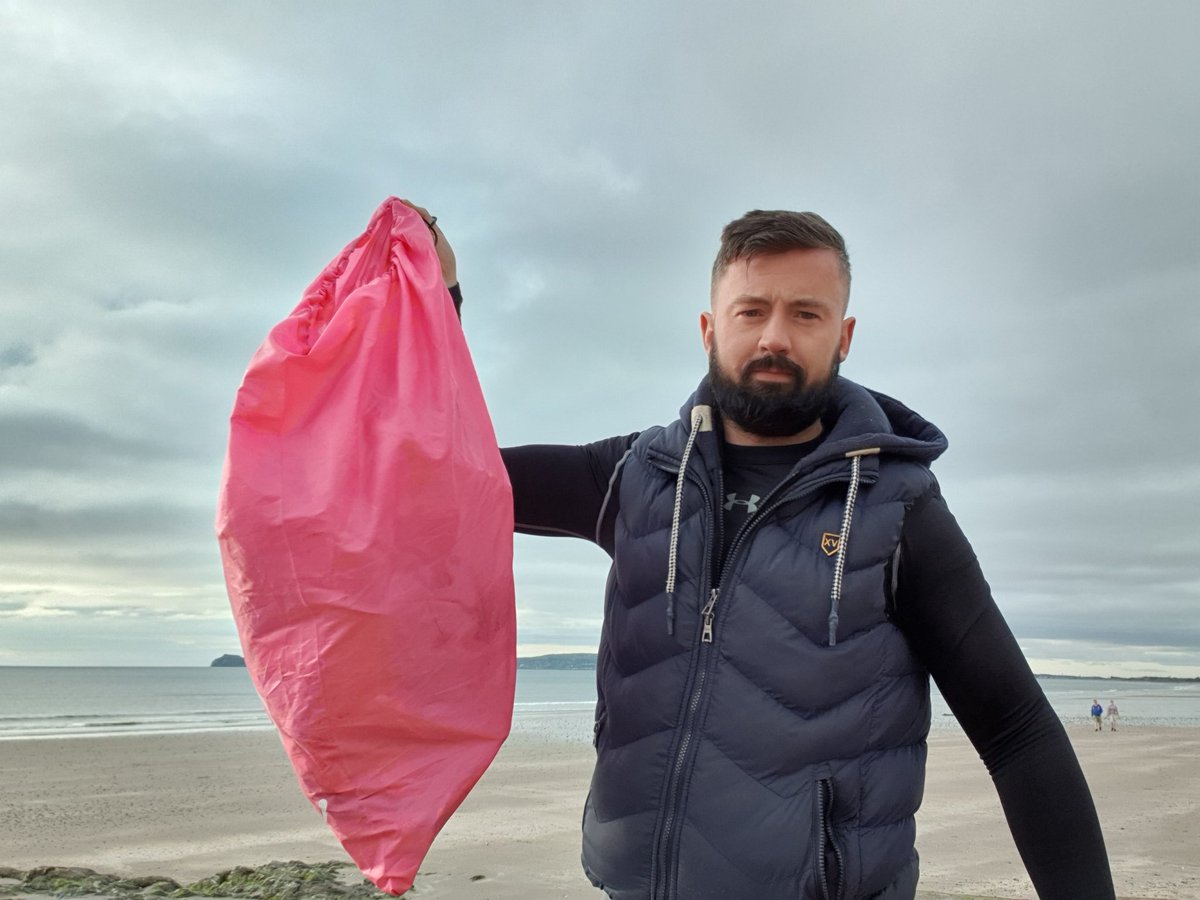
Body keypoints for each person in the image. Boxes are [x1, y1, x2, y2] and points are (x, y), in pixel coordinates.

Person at [407, 201, 1115, 899]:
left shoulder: (898, 511)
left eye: (806, 313)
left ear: (844, 335)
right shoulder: (635, 478)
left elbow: (1018, 732)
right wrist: (437, 298)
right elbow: (442, 476)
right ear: (710, 328)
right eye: (751, 311)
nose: (775, 336)